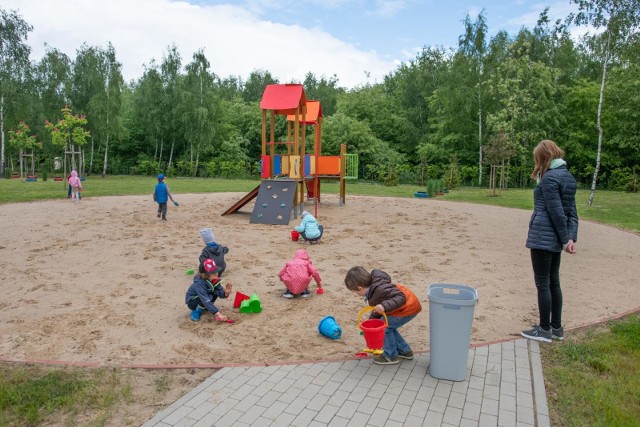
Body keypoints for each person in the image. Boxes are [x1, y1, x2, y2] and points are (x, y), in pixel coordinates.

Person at [521, 139, 578, 343]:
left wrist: (566, 239)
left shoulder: (549, 179)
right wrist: (570, 237)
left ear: (544, 157)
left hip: (543, 236)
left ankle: (544, 329)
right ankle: (556, 327)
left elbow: (556, 212)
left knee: (543, 283)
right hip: (555, 238)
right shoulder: (567, 177)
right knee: (554, 282)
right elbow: (572, 213)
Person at [344, 266, 422, 365]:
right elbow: (377, 309)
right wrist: (371, 322)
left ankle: (390, 355)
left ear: (360, 288)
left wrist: (383, 305)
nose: (356, 293)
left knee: (384, 328)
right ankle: (404, 351)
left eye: (355, 291)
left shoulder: (379, 289)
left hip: (407, 308)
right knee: (388, 326)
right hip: (405, 306)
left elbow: (400, 297)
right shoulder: (375, 287)